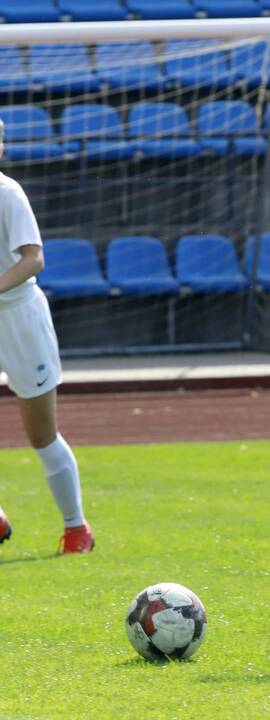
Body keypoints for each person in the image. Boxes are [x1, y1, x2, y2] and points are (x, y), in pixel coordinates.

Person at [0, 118, 94, 555]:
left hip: (19, 317)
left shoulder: (7, 193)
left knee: (41, 434)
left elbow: (34, 259)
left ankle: (77, 530)